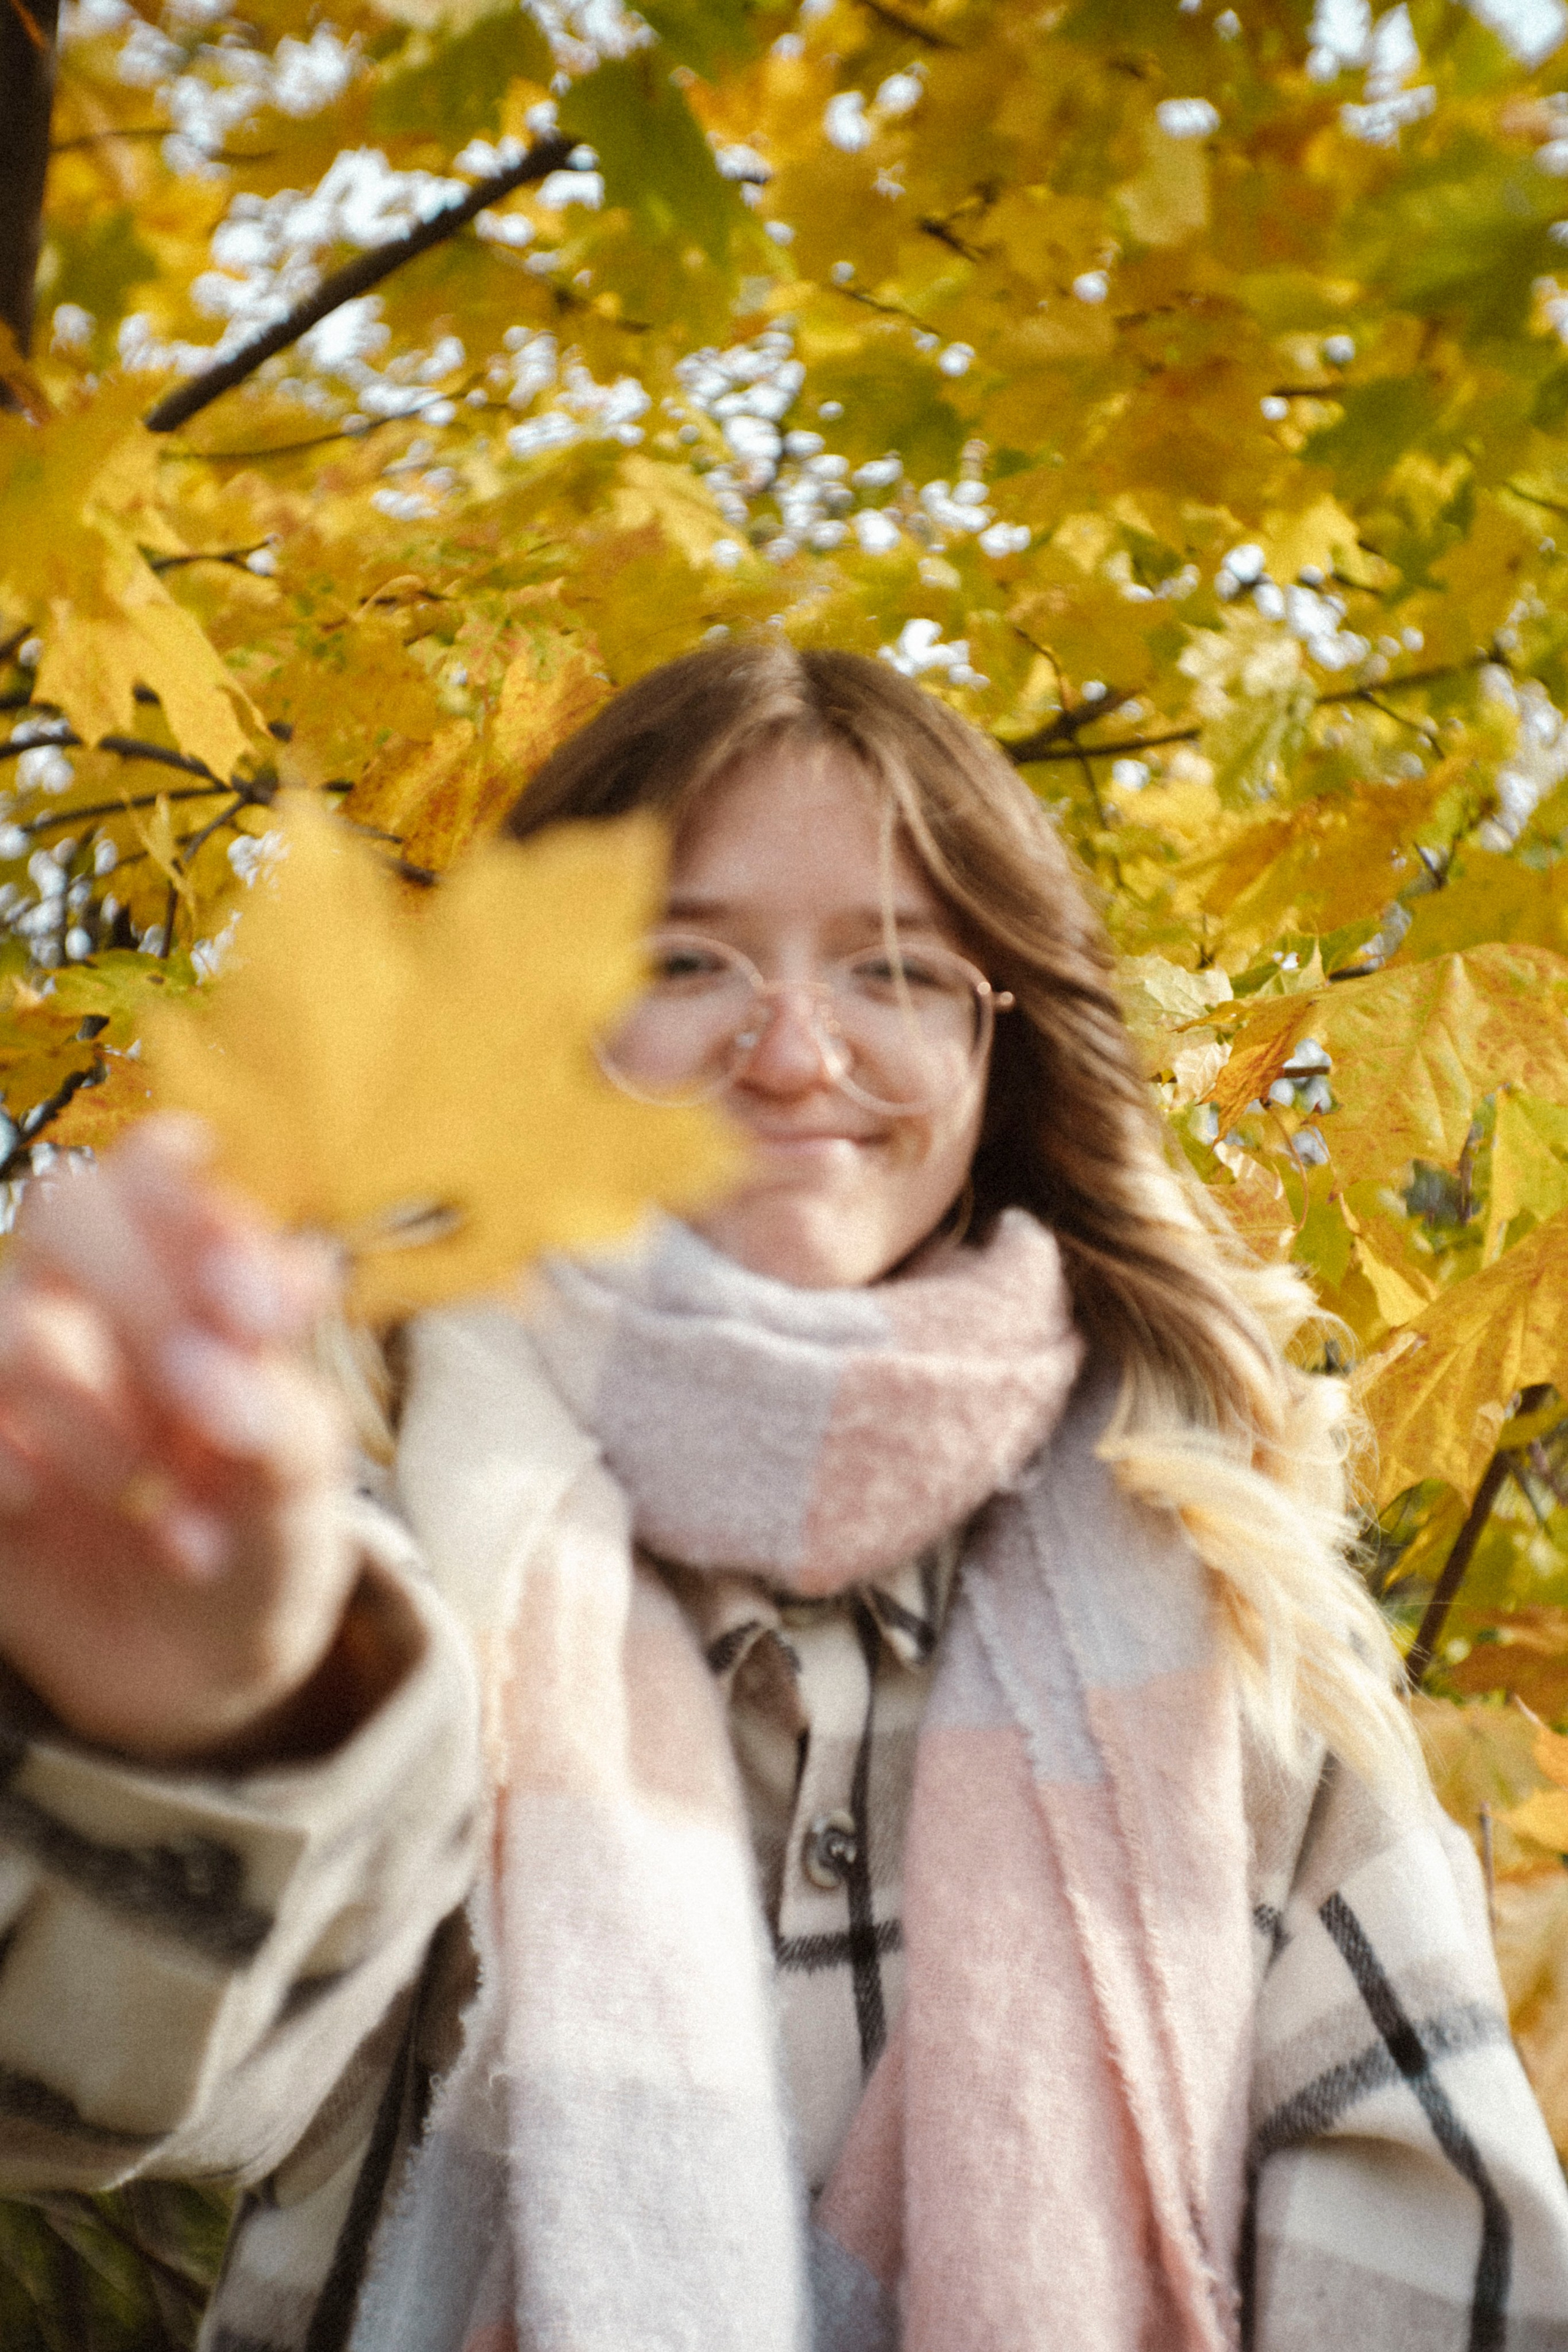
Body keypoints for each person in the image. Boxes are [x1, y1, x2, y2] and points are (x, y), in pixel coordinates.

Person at [0, 639, 1561, 2352]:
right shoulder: (366, 1545)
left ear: (1000, 1048)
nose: (798, 1052)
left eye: (897, 970)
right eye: (687, 960)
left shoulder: (1225, 1605)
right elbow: (82, 2101)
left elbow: (1441, 2270)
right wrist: (212, 1731)